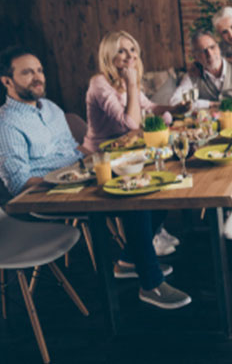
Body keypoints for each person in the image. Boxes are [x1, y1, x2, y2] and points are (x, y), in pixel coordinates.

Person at [82, 31, 191, 309]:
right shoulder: (100, 84)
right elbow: (131, 124)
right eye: (121, 51)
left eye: (132, 50)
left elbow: (149, 107)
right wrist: (131, 84)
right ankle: (150, 284)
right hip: (101, 164)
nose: (130, 56)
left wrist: (175, 108)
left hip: (128, 159)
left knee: (161, 193)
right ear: (108, 55)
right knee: (139, 203)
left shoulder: (125, 83)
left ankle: (129, 260)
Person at [0, 47, 83, 200]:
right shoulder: (6, 123)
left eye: (39, 71)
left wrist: (105, 160)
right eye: (27, 72)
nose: (38, 78)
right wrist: (70, 181)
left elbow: (73, 147)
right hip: (49, 195)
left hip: (81, 176)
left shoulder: (50, 107)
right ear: (7, 81)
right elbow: (19, 183)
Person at [169, 31, 232, 110]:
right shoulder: (192, 76)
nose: (210, 54)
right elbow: (174, 101)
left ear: (219, 48)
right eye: (203, 51)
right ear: (195, 57)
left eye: (212, 47)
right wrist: (209, 104)